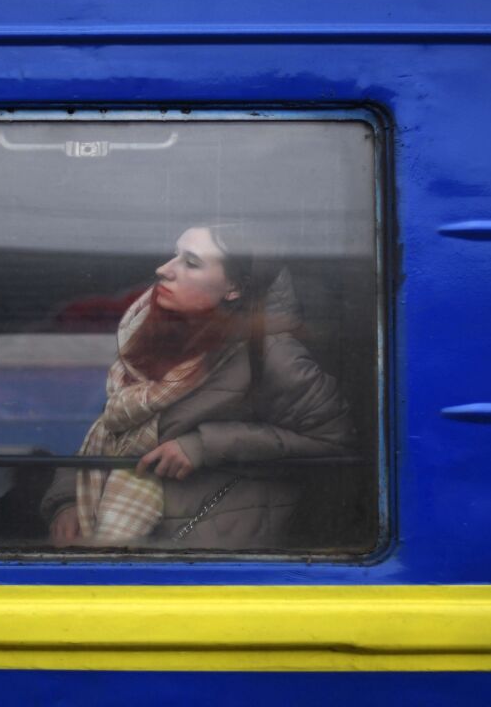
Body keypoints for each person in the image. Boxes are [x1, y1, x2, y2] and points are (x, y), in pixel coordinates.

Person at [40, 224, 356, 548]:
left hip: (212, 558)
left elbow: (336, 445)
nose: (163, 269)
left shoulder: (272, 354)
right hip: (136, 544)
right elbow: (107, 431)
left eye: (190, 263)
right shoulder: (152, 339)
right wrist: (67, 503)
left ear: (233, 287)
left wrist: (204, 446)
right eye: (174, 255)